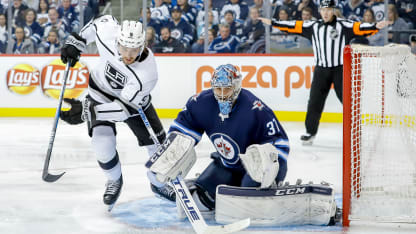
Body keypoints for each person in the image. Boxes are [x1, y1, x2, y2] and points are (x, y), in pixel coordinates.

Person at [58, 15, 175, 210]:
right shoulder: (109, 34)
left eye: (134, 49)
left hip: (134, 106)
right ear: (117, 41)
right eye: (124, 48)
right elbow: (98, 22)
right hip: (100, 92)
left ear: (143, 46)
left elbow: (122, 110)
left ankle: (159, 183)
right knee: (101, 145)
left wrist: (87, 111)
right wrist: (77, 41)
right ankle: (114, 180)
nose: (128, 54)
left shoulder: (147, 75)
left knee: (159, 150)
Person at [147, 64, 290, 213]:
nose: (222, 94)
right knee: (200, 201)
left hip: (256, 168)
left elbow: (280, 143)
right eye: (218, 89)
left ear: (236, 87)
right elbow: (181, 135)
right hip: (228, 165)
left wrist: (267, 170)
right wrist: (164, 161)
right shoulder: (201, 103)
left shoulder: (255, 109)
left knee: (245, 203)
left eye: (227, 89)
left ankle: (265, 189)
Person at [260, 0, 390, 145]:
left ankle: (356, 132)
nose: (326, 13)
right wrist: (273, 23)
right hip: (321, 70)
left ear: (333, 10)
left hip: (339, 70)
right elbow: (292, 26)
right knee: (314, 101)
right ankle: (310, 132)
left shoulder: (343, 25)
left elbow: (360, 27)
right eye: (323, 10)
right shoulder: (313, 26)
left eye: (329, 10)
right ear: (320, 11)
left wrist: (375, 26)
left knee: (348, 102)